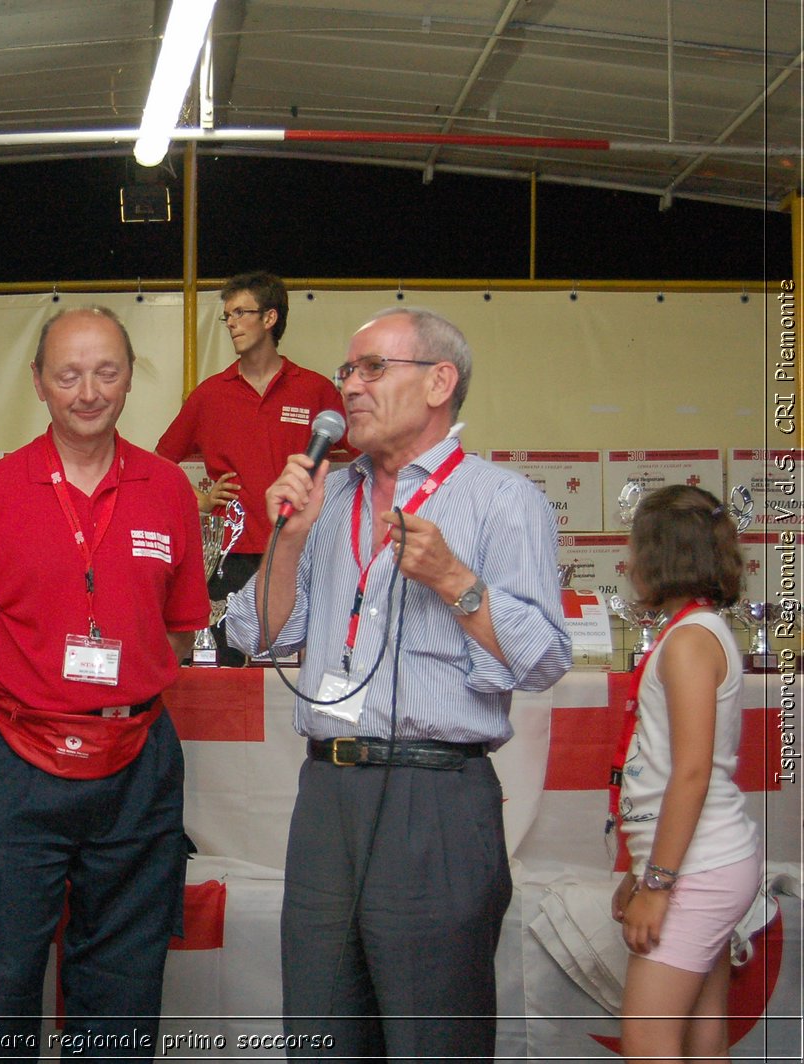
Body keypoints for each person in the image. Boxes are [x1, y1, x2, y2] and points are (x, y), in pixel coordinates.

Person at [222, 306, 571, 1060]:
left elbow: (543, 658)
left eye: (373, 368)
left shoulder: (504, 502)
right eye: (347, 370)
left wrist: (452, 578)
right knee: (319, 1033)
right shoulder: (328, 496)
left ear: (440, 382)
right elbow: (257, 637)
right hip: (327, 798)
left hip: (437, 800)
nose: (349, 387)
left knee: (432, 1040)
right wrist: (292, 537)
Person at [0, 306, 209, 1059]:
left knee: (124, 980)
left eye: (106, 372)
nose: (88, 391)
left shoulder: (166, 489)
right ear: (38, 383)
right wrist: (34, 716)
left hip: (139, 768)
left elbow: (179, 631)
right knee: (2, 974)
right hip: (19, 767)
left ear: (129, 379)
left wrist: (106, 707)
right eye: (68, 374)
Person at [609, 484, 762, 1063]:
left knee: (647, 1041)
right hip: (703, 863)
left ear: (660, 558)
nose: (628, 566)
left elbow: (692, 773)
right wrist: (642, 870)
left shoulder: (690, 642)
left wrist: (658, 885)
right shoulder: (692, 633)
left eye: (635, 551)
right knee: (702, 1040)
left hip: (700, 867)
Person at [156, 271, 346, 664]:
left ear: (270, 318)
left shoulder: (315, 389)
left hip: (301, 548)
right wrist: (203, 501)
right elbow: (161, 460)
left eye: (241, 313)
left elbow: (359, 455)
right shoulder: (210, 394)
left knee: (314, 661)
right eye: (227, 316)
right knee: (225, 665)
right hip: (232, 553)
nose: (232, 324)